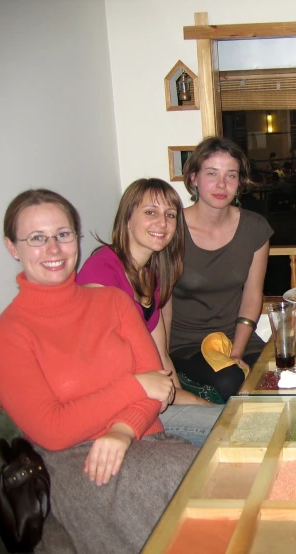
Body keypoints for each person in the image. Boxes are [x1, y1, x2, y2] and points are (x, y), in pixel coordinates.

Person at [0, 189, 198, 553]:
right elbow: (52, 430)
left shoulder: (113, 301)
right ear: (12, 247)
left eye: (63, 234)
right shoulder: (6, 335)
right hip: (79, 461)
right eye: (37, 239)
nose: (54, 249)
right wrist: (133, 385)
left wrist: (121, 430)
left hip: (147, 438)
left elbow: (159, 387)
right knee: (199, 477)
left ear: (76, 237)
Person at [77, 178, 224, 446]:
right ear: (127, 219)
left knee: (230, 415)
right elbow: (98, 371)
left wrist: (190, 399)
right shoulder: (101, 273)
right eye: (150, 213)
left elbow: (160, 358)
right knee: (232, 428)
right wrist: (187, 401)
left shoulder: (150, 274)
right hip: (118, 413)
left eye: (170, 215)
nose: (163, 223)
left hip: (150, 398)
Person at [167, 137, 273, 401]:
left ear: (240, 182)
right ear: (193, 178)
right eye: (212, 174)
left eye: (231, 175)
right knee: (230, 380)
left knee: (276, 375)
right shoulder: (170, 229)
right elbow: (159, 305)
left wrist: (236, 351)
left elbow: (252, 294)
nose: (221, 185)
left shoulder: (254, 227)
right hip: (188, 345)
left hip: (238, 337)